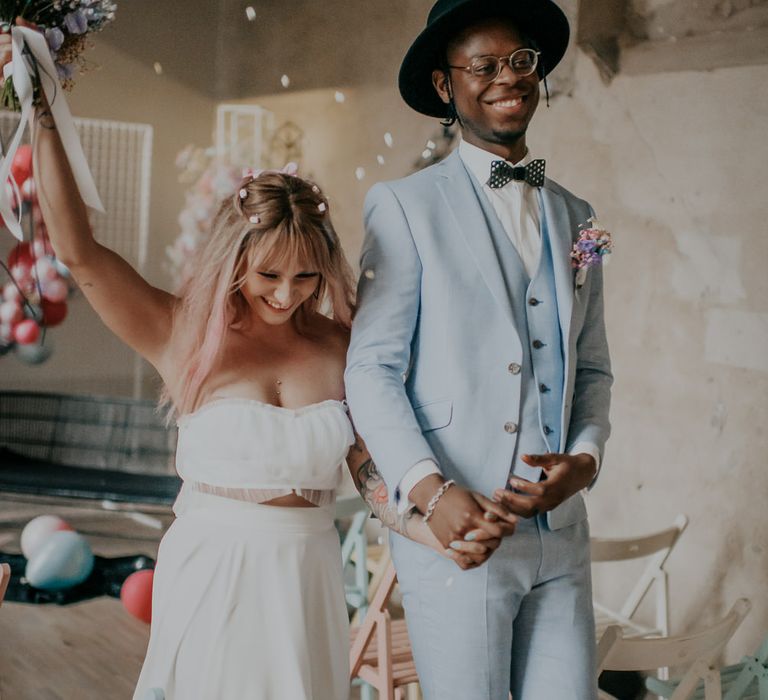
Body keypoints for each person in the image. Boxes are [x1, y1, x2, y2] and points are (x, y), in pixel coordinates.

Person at [0, 21, 514, 699]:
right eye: (269, 275)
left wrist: (435, 532)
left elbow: (372, 481)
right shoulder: (182, 333)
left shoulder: (341, 345)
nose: (287, 294)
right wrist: (39, 110)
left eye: (306, 276)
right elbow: (80, 253)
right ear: (233, 261)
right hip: (210, 565)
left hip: (304, 573)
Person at [345, 1, 613, 698]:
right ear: (444, 85)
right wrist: (431, 493)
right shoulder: (403, 205)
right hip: (461, 532)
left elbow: (592, 365)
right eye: (484, 65)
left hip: (562, 537)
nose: (508, 78)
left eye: (521, 60)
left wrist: (584, 459)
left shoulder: (577, 215)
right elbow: (371, 369)